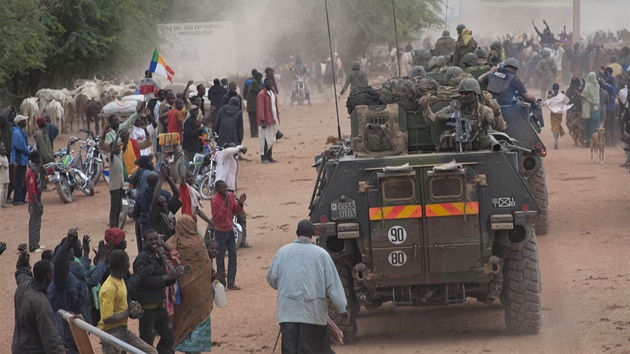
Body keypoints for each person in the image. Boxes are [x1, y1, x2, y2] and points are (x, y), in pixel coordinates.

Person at [266, 220, 348, 354]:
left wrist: (285, 288)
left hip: (288, 314)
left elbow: (271, 279)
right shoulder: (322, 254)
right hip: (314, 315)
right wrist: (341, 308)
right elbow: (333, 284)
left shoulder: (282, 252)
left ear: (297, 233)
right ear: (313, 234)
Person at [48, 229, 109, 353]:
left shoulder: (77, 269)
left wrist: (101, 259)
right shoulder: (61, 278)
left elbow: (90, 276)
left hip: (79, 327)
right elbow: (61, 263)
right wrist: (67, 244)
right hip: (66, 334)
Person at [133, 230, 186, 354]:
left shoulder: (159, 255)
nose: (154, 242)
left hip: (159, 304)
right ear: (144, 241)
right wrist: (166, 277)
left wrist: (174, 276)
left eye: (155, 239)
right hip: (147, 306)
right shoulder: (142, 258)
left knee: (169, 336)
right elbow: (142, 281)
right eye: (150, 240)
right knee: (147, 341)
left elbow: (164, 281)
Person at [167, 215, 214, 353]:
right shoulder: (198, 241)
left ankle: (183, 345)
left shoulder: (173, 242)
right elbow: (207, 265)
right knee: (198, 317)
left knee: (183, 318)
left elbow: (166, 260)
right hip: (201, 292)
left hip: (182, 292)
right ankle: (195, 349)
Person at [419, 78, 507, 151]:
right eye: (461, 93)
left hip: (480, 152)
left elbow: (499, 127)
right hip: (455, 153)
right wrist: (426, 108)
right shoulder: (453, 108)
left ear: (475, 93)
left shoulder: (484, 111)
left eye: (467, 93)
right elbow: (433, 120)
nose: (463, 96)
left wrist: (497, 114)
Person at [98, 249, 158, 354]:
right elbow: (107, 318)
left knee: (151, 352)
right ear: (125, 264)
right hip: (111, 334)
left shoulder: (120, 281)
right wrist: (128, 312)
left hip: (123, 330)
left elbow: (121, 305)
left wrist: (133, 309)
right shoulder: (109, 288)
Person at [12, 242, 66, 354]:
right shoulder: (41, 303)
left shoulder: (24, 286)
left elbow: (22, 270)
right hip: (34, 350)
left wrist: (23, 256)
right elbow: (51, 338)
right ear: (48, 275)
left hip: (18, 347)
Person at [99, 106, 142, 228]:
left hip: (121, 182)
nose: (117, 122)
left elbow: (124, 144)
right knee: (114, 207)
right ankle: (113, 226)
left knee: (118, 207)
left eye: (118, 121)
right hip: (114, 185)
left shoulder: (120, 153)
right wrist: (113, 136)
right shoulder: (112, 155)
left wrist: (126, 138)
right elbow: (105, 147)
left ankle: (117, 225)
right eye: (115, 121)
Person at [211, 180, 246, 289]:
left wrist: (240, 203)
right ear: (217, 189)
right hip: (220, 232)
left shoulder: (230, 195)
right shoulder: (214, 200)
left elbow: (236, 210)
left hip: (230, 230)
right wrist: (225, 204)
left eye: (226, 187)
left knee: (233, 255)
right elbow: (217, 217)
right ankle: (222, 283)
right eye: (223, 188)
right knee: (220, 258)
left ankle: (231, 282)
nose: (226, 189)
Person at [215, 144, 249, 247]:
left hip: (231, 191)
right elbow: (229, 150)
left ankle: (242, 241)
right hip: (221, 191)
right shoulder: (223, 156)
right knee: (218, 216)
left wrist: (240, 148)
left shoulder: (234, 158)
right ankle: (208, 239)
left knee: (241, 215)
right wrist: (239, 148)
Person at [148, 166, 182, 241]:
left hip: (172, 242)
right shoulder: (155, 214)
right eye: (161, 203)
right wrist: (161, 179)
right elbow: (155, 198)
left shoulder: (168, 210)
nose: (164, 204)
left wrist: (167, 177)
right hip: (160, 243)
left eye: (165, 202)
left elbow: (177, 194)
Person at [257, 78, 281, 163]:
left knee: (271, 138)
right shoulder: (261, 94)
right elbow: (260, 108)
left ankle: (270, 157)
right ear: (264, 83)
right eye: (268, 82)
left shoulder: (272, 93)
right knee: (264, 139)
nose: (270, 84)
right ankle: (264, 157)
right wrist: (262, 120)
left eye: (271, 82)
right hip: (265, 121)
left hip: (272, 120)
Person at [11, 114, 31, 206]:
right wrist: (29, 152)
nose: (25, 122)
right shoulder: (17, 133)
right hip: (19, 160)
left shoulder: (19, 132)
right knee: (19, 180)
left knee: (22, 179)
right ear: (19, 122)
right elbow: (21, 147)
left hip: (22, 159)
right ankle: (17, 199)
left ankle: (21, 198)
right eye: (24, 121)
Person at [26, 151, 44, 253]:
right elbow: (32, 190)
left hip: (36, 199)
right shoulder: (31, 172)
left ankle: (36, 243)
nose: (40, 160)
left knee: (37, 223)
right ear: (35, 159)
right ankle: (33, 246)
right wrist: (38, 204)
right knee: (34, 223)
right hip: (34, 201)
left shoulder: (34, 169)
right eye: (39, 158)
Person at [543, 83, 569, 149]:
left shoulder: (550, 96)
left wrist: (548, 95)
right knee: (557, 127)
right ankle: (556, 141)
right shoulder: (561, 96)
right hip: (559, 115)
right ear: (558, 88)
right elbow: (566, 101)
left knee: (554, 128)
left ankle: (556, 141)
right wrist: (564, 94)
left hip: (553, 115)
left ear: (553, 88)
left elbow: (546, 103)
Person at [0, 107, 16, 203]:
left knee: (11, 178)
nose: (12, 116)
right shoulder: (3, 125)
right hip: (4, 153)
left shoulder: (12, 125)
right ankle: (4, 198)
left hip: (11, 153)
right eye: (11, 114)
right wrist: (9, 109)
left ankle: (7, 196)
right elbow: (2, 116)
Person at [581, 72, 601, 146]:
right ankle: (595, 142)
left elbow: (584, 95)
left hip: (588, 108)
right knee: (595, 125)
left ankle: (588, 141)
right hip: (596, 107)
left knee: (587, 125)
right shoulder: (598, 85)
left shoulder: (588, 85)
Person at [34, 117, 53, 191]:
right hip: (42, 157)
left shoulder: (43, 132)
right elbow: (43, 147)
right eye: (44, 122)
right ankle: (43, 187)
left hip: (45, 155)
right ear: (42, 124)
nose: (46, 123)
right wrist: (48, 158)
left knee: (45, 171)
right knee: (42, 172)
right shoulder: (40, 134)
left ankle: (44, 186)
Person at [566, 77, 585, 146]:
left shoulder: (570, 90)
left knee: (573, 126)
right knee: (578, 126)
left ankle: (577, 140)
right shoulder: (581, 89)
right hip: (577, 110)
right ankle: (578, 139)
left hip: (575, 111)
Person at [246, 72, 263, 138]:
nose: (260, 78)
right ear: (256, 77)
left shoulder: (256, 82)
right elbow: (260, 90)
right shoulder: (254, 82)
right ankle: (254, 133)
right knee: (253, 120)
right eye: (259, 77)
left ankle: (255, 132)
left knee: (255, 119)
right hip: (252, 105)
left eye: (261, 77)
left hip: (254, 104)